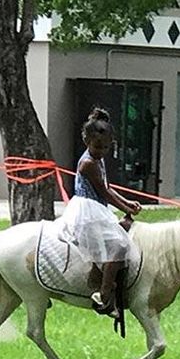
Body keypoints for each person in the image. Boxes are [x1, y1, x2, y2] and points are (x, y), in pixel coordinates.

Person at [61, 107, 142, 315]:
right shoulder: (88, 163)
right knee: (120, 246)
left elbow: (107, 187)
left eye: (106, 147)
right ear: (86, 141)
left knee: (122, 233)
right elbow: (104, 192)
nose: (102, 151)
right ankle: (104, 294)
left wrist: (127, 202)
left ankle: (104, 280)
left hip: (96, 208)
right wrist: (125, 207)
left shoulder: (98, 160)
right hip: (87, 211)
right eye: (97, 146)